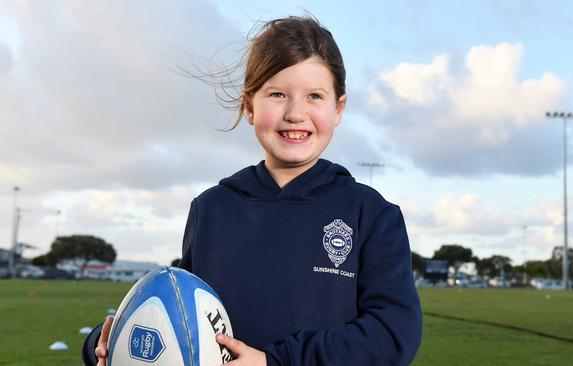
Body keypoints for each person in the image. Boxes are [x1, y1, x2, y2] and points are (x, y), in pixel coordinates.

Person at [83, 15, 422, 365]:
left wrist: (274, 361)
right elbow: (185, 317)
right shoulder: (211, 209)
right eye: (277, 94)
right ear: (249, 106)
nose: (295, 113)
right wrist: (104, 341)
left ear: (338, 108)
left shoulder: (372, 214)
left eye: (314, 96)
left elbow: (394, 332)